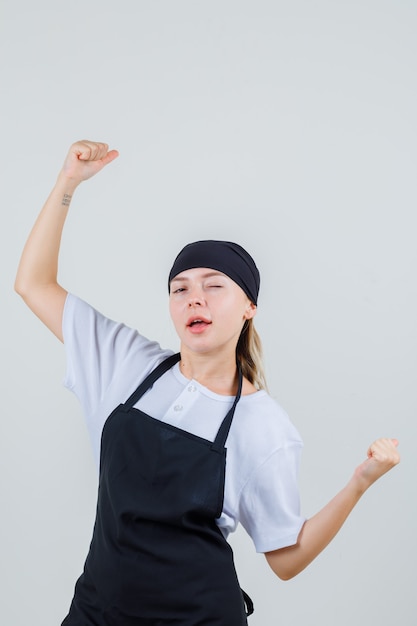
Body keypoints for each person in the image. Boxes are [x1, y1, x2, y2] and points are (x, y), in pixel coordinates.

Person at [15, 140, 400, 626]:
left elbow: (285, 559)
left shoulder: (263, 426)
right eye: (181, 288)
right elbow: (33, 283)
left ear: (249, 308)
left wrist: (358, 484)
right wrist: (66, 185)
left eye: (214, 285)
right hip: (95, 614)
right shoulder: (126, 364)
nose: (194, 298)